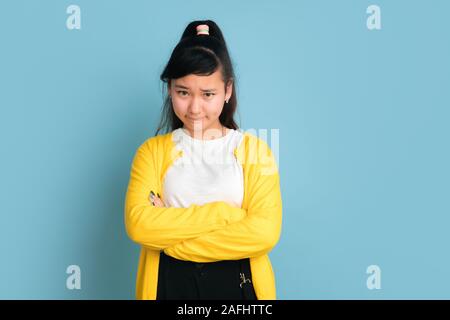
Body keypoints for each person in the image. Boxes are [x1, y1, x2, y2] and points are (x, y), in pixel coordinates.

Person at [124, 20, 282, 300]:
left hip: (240, 291)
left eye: (208, 94)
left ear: (227, 91)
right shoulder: (151, 153)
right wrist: (227, 215)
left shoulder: (255, 152)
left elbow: (264, 233)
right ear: (170, 89)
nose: (195, 108)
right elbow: (140, 224)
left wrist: (171, 243)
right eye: (183, 92)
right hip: (169, 287)